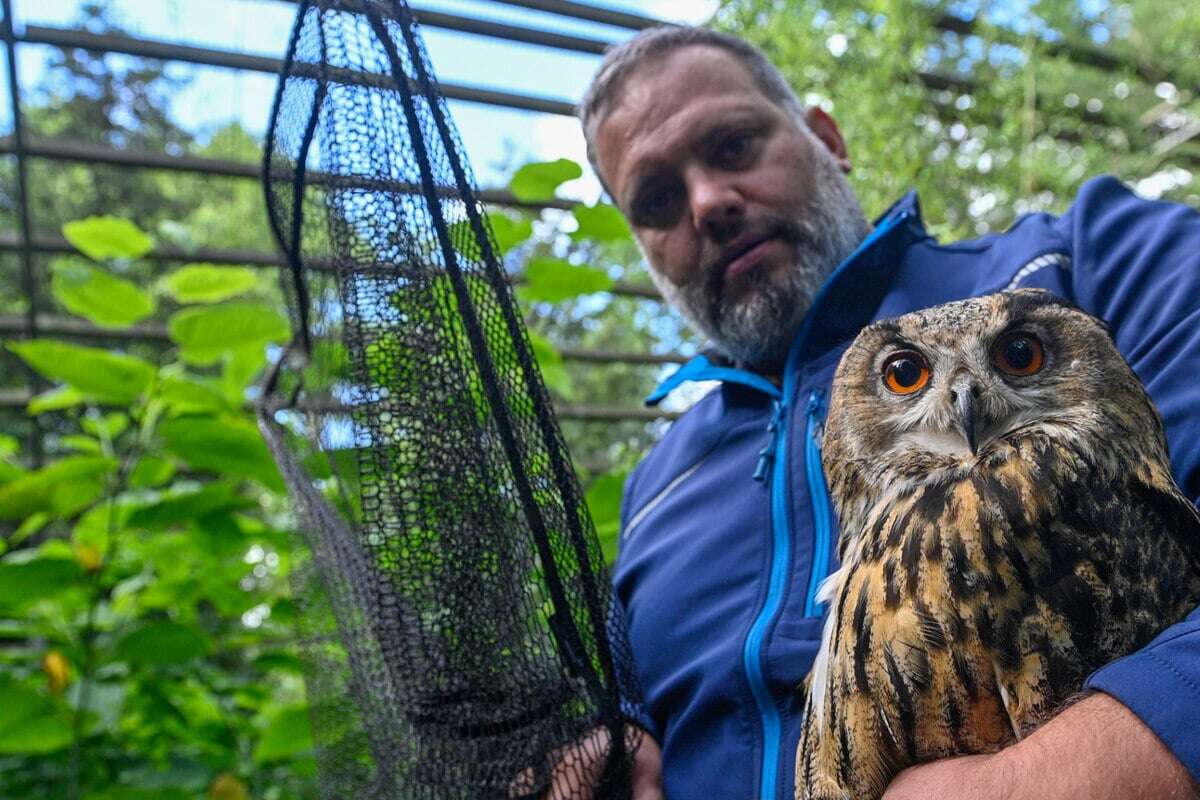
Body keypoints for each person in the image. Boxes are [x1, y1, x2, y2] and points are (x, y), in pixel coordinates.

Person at [562, 24, 1200, 800]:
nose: (708, 203)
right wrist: (608, 733)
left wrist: (1116, 753)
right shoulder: (658, 484)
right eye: (657, 200)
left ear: (827, 139)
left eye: (733, 146)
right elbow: (628, 720)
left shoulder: (1094, 259)